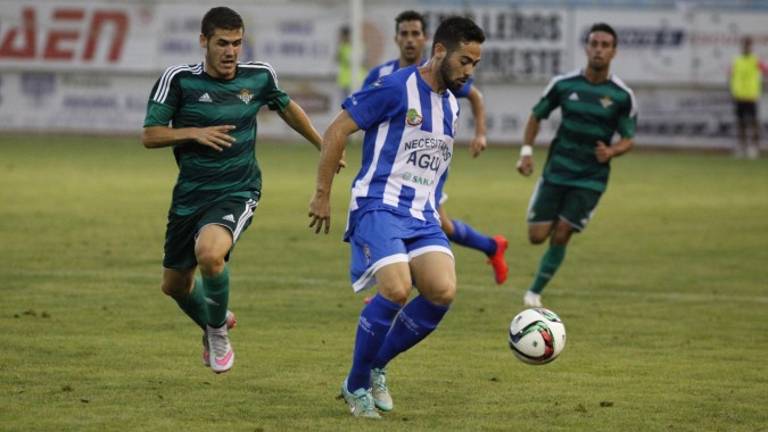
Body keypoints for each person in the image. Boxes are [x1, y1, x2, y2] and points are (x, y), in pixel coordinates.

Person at [142, 7, 340, 374]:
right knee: (174, 285)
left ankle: (216, 332)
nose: (231, 51)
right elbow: (150, 134)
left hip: (238, 189)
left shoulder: (259, 76)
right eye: (222, 43)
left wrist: (322, 144)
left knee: (210, 253)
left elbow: (286, 107)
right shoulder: (179, 80)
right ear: (204, 42)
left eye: (237, 43)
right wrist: (192, 132)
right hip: (190, 195)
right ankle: (214, 317)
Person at [309, 16, 485, 418]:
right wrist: (322, 194)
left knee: (442, 291)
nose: (469, 71)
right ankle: (355, 385)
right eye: (464, 61)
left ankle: (375, 367)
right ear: (440, 51)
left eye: (475, 63)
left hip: (421, 214)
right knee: (396, 288)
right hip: (378, 204)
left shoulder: (452, 106)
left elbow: (430, 164)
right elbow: (337, 130)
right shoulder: (395, 87)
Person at [362, 10, 508, 285]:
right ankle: (491, 247)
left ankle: (396, 287)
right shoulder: (382, 76)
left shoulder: (446, 71)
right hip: (391, 170)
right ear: (396, 38)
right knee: (441, 225)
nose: (410, 39)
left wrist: (481, 134)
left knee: (434, 225)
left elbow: (475, 96)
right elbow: (362, 113)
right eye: (404, 33)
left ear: (426, 39)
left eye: (415, 33)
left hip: (424, 165)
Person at [516, 22, 637, 308]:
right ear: (586, 48)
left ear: (614, 51)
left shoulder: (622, 96)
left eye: (605, 45)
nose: (598, 50)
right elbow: (536, 116)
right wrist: (526, 151)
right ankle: (537, 282)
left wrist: (612, 151)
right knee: (536, 236)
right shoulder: (564, 84)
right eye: (594, 44)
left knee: (562, 233)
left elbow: (629, 139)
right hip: (557, 170)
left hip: (590, 178)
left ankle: (533, 293)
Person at [730, 36, 766, 159]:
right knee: (741, 123)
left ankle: (754, 148)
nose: (746, 47)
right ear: (742, 46)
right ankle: (741, 147)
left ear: (751, 46)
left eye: (748, 45)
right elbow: (731, 74)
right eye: (744, 44)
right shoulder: (736, 60)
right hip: (739, 96)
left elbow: (765, 71)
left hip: (751, 96)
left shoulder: (755, 60)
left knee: (753, 123)